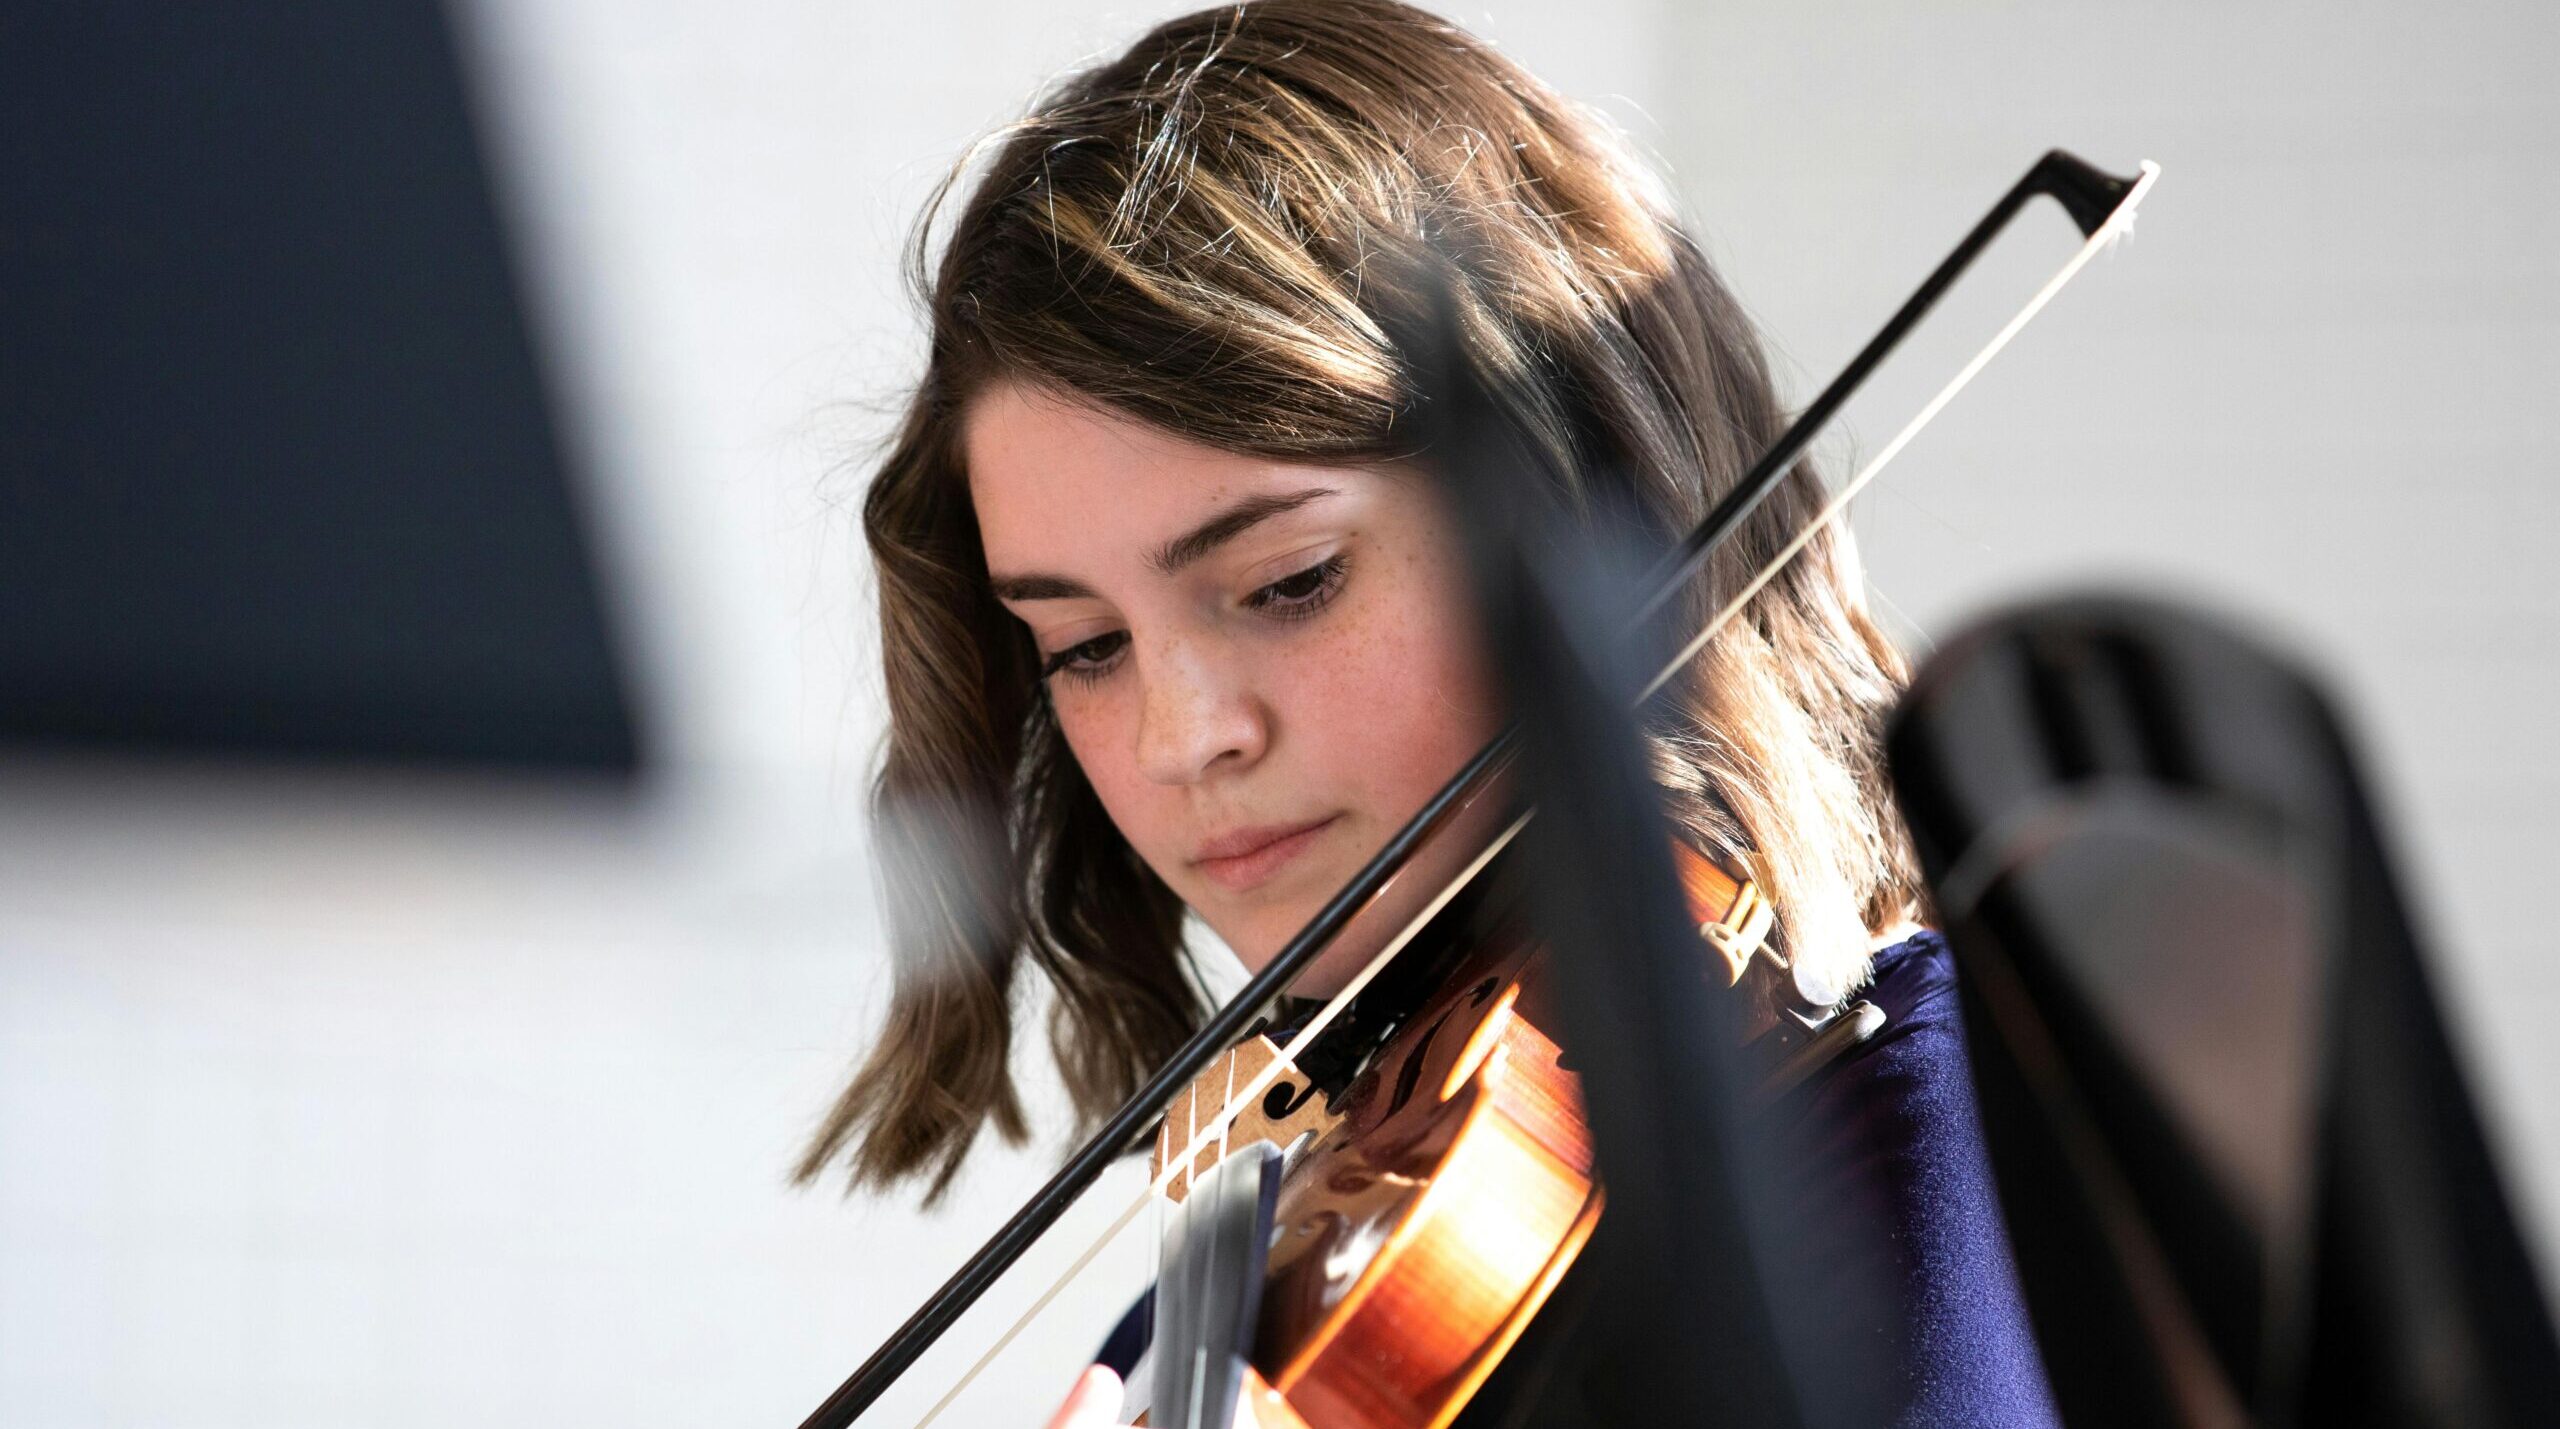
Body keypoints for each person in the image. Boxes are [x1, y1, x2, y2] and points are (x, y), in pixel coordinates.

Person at [797, 3, 2056, 1424]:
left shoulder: (1901, 1169)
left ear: (1580, 520)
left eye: (1287, 581)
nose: (1179, 736)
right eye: (1083, 647)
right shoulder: (1301, 1245)